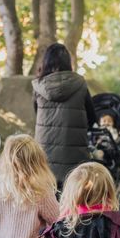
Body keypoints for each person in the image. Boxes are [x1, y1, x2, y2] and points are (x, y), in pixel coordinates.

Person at [33, 43, 96, 190]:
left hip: (45, 155)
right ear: (68, 62)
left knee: (48, 198)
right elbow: (92, 117)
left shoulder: (38, 86)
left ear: (45, 62)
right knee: (73, 197)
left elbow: (37, 114)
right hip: (75, 155)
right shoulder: (80, 83)